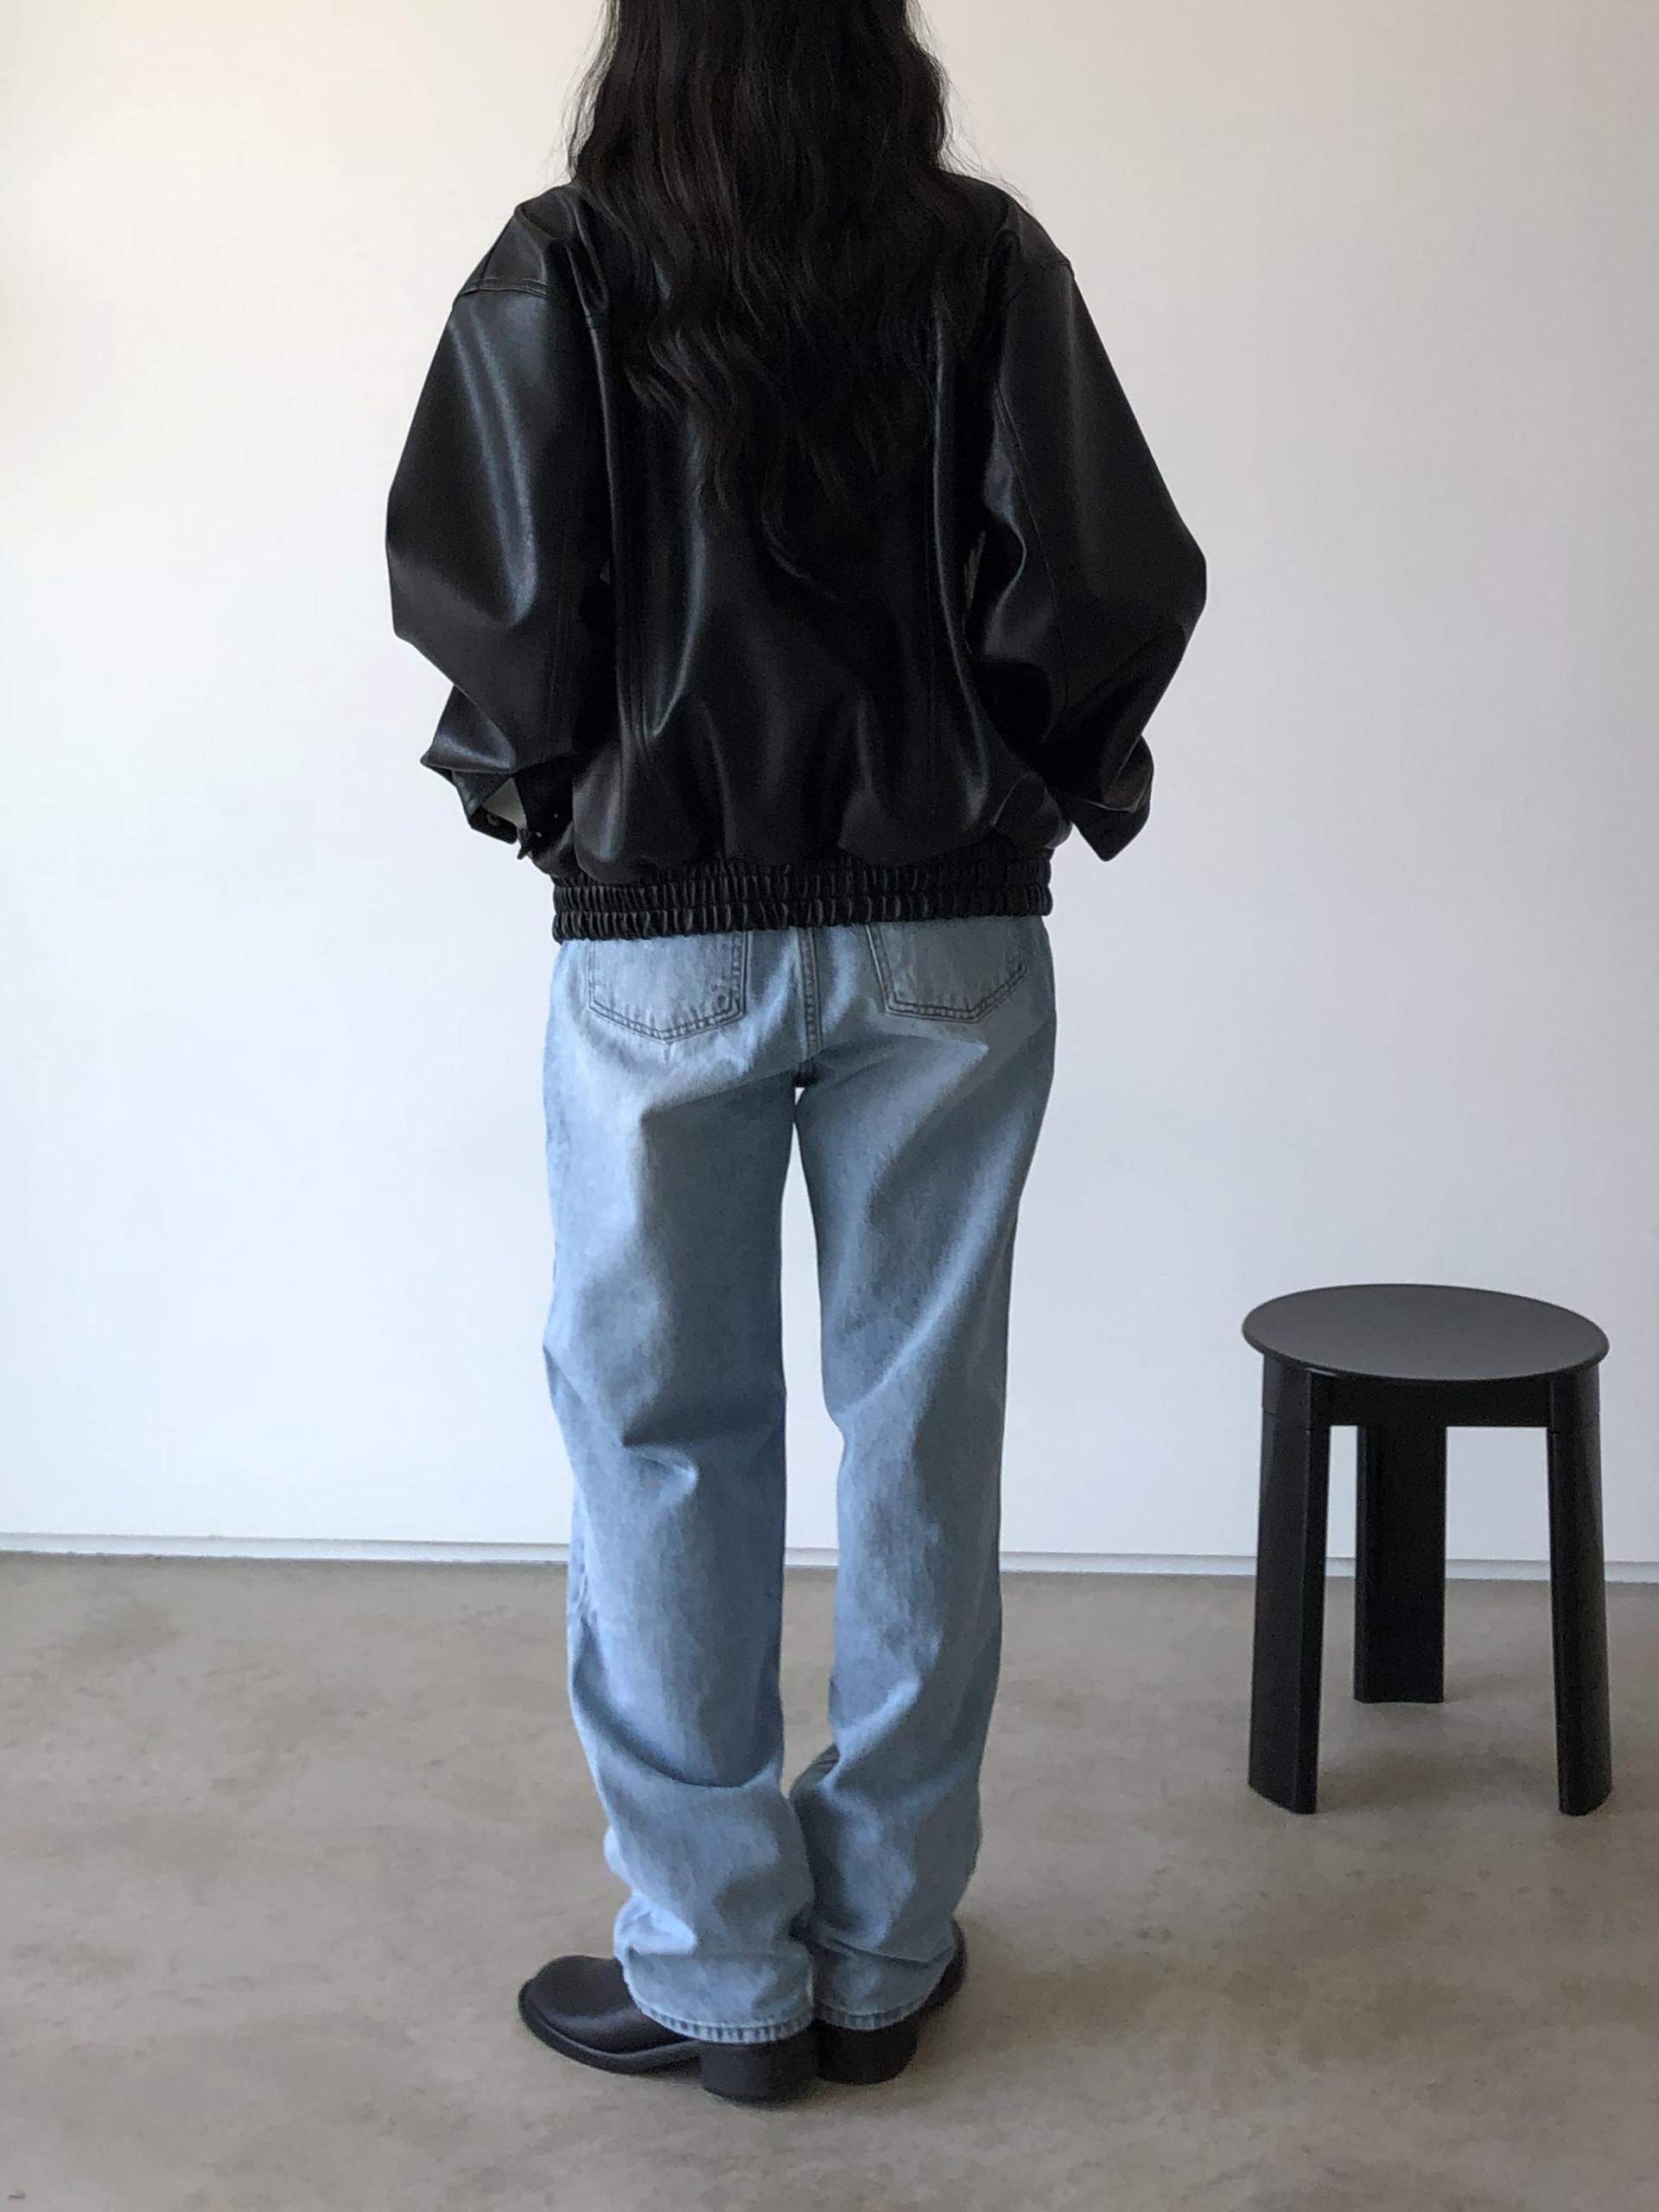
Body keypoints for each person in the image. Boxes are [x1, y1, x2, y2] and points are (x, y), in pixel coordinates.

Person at [385, 0, 1205, 2109]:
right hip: (949, 924)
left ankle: (719, 1977)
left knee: (661, 1435)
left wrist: (557, 805)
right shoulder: (981, 256)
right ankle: (883, 1951)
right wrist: (1039, 788)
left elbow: (489, 597)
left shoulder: (570, 260)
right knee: (922, 1428)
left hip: (662, 927)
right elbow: (1108, 578)